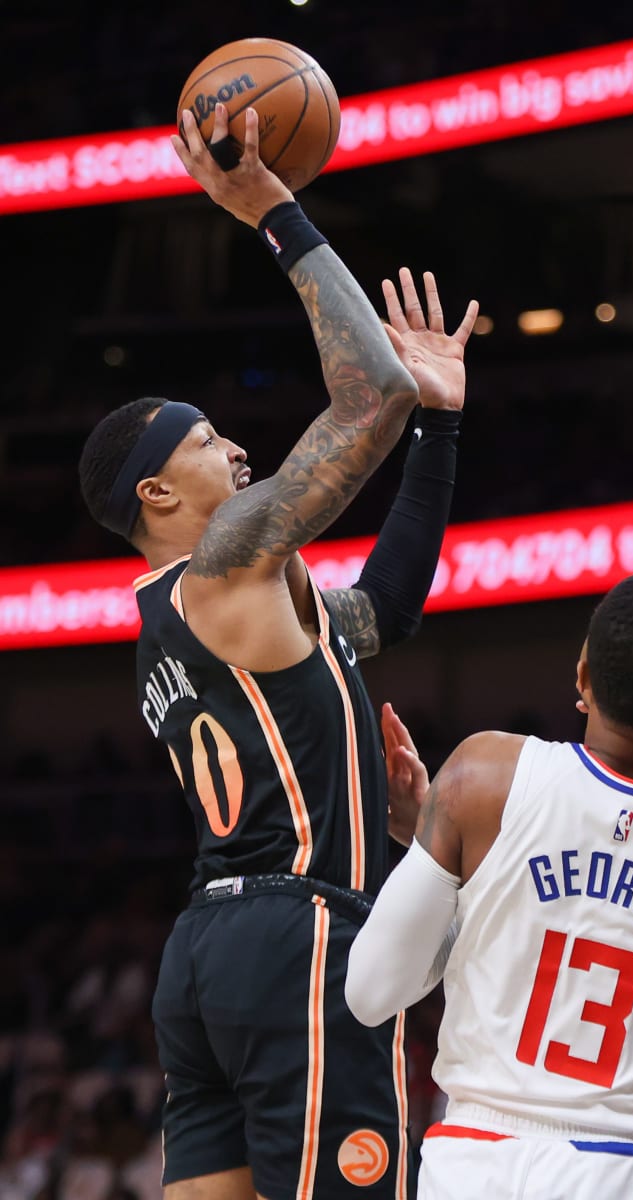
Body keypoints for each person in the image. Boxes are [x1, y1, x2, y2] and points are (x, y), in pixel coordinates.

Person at [76, 102, 477, 1200]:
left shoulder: (191, 611)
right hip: (299, 932)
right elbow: (370, 393)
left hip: (203, 959)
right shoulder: (226, 561)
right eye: (208, 440)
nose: (238, 444)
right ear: (158, 494)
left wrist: (443, 430)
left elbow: (383, 611)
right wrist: (275, 212)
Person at [344, 572, 633, 1200]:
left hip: (473, 1164)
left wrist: (457, 880)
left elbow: (371, 994)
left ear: (582, 674)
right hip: (627, 1171)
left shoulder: (483, 777)